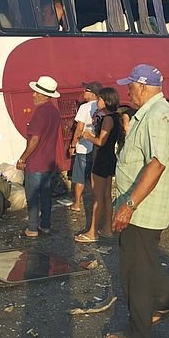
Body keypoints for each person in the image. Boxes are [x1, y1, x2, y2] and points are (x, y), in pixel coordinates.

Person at [104, 64, 169, 338]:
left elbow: (157, 163)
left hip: (143, 209)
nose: (127, 91)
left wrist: (129, 205)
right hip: (142, 206)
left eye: (131, 86)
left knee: (134, 272)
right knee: (143, 262)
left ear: (143, 86)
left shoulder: (158, 116)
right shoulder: (152, 113)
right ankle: (167, 300)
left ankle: (139, 335)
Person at [16, 75, 61, 238]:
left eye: (36, 92)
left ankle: (32, 228)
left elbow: (35, 139)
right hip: (49, 161)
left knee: (33, 197)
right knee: (46, 195)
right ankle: (46, 225)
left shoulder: (40, 112)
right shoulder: (54, 112)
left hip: (36, 162)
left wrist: (23, 158)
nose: (33, 95)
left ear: (44, 95)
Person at [75, 87, 121, 242]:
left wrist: (88, 136)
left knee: (97, 197)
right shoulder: (114, 117)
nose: (97, 101)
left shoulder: (107, 119)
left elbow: (101, 141)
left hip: (101, 158)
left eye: (100, 99)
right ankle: (107, 228)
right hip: (109, 158)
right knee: (107, 196)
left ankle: (93, 231)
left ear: (107, 100)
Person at [68, 82, 102, 212]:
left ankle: (77, 204)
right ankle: (97, 203)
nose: (83, 93)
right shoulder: (102, 107)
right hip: (97, 147)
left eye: (86, 91)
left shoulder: (84, 107)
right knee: (95, 177)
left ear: (92, 94)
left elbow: (79, 128)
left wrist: (72, 145)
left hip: (84, 147)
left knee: (80, 177)